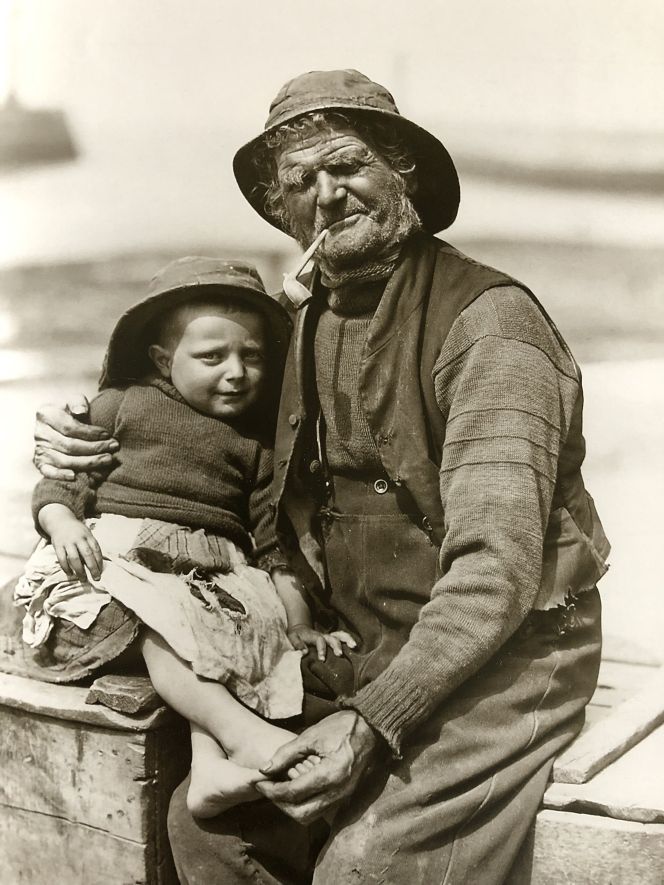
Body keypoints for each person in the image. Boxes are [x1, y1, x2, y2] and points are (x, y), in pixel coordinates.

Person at [33, 70, 610, 883]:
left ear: (402, 175)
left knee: (363, 869)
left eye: (349, 165)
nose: (328, 195)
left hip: (509, 654)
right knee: (209, 828)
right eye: (301, 182)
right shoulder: (302, 324)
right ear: (283, 211)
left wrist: (369, 724)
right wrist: (71, 451)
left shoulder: (491, 328)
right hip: (361, 637)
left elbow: (497, 572)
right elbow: (187, 423)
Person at [19, 255, 354, 820]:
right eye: (211, 357)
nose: (236, 372)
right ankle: (241, 734)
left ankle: (210, 768)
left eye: (252, 357)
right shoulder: (122, 407)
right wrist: (65, 523)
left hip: (203, 577)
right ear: (160, 358)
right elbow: (62, 482)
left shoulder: (254, 447)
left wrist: (297, 620)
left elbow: (271, 543)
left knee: (239, 624)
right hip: (112, 568)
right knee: (164, 620)